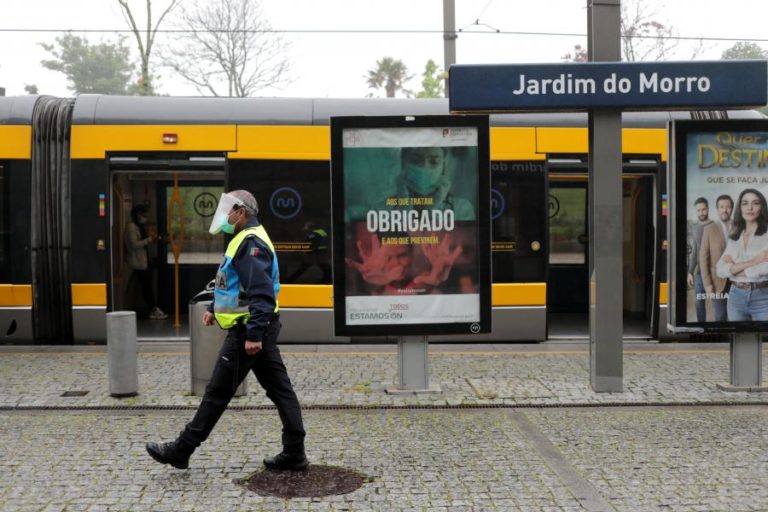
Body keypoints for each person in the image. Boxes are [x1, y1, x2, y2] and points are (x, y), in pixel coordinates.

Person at [146, 190, 308, 471]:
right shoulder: (246, 240)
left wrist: (255, 334)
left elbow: (261, 293)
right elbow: (234, 286)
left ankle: (182, 449)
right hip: (259, 327)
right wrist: (213, 307)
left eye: (229, 211)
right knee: (281, 391)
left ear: (241, 212)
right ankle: (294, 452)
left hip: (249, 331)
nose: (225, 216)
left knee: (217, 393)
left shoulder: (250, 243)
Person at [346, 232, 462, 295]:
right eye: (387, 258)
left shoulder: (425, 286)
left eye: (402, 255)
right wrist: (366, 284)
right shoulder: (369, 295)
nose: (396, 263)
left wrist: (442, 279)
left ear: (411, 254)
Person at [716, 188, 768, 322]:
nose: (749, 208)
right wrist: (754, 261)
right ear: (740, 207)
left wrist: (734, 269)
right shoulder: (735, 235)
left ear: (761, 207)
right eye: (745, 203)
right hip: (735, 296)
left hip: (763, 296)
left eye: (755, 203)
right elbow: (720, 269)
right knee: (738, 338)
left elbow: (765, 268)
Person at [396, 146, 475, 221]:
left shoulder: (461, 208)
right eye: (416, 160)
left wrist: (432, 211)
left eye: (434, 162)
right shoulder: (386, 207)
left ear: (443, 166)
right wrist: (404, 208)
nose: (425, 167)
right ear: (403, 163)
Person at [124, 204, 168, 320]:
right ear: (137, 215)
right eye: (143, 215)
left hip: (142, 261)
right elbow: (134, 244)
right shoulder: (131, 228)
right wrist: (149, 240)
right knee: (146, 287)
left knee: (146, 286)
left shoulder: (138, 226)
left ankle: (153, 308)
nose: (145, 218)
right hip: (137, 262)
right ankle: (153, 310)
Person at [699, 194, 733, 321]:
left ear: (732, 209)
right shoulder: (709, 229)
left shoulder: (740, 228)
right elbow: (703, 259)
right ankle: (723, 341)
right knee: (720, 316)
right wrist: (707, 284)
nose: (725, 210)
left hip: (738, 282)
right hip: (717, 282)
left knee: (736, 317)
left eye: (728, 207)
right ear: (717, 209)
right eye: (722, 207)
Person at [687, 197, 712, 322]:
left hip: (714, 272)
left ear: (708, 209)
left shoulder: (715, 226)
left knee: (719, 303)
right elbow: (695, 252)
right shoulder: (695, 228)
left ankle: (721, 328)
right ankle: (702, 327)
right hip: (699, 273)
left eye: (703, 209)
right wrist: (690, 272)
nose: (701, 212)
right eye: (699, 210)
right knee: (698, 302)